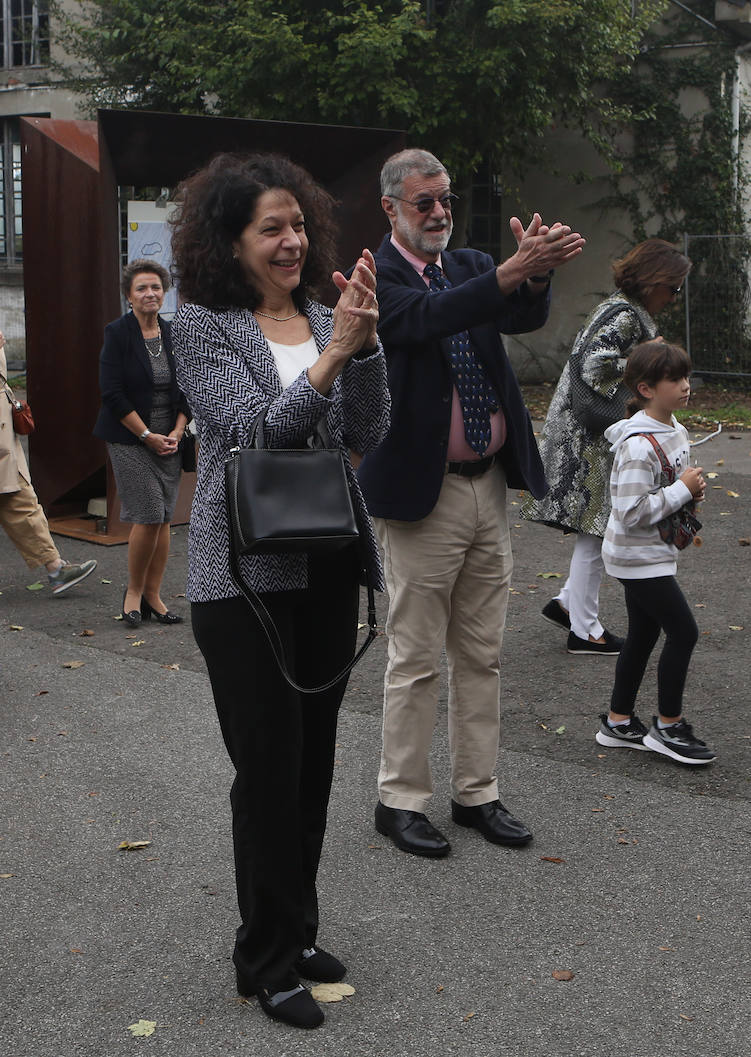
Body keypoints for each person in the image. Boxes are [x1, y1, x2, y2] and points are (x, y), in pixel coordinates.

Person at [170, 152, 389, 1029]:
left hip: (327, 560)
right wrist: (333, 356)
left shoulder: (331, 316)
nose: (292, 240)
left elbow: (369, 429)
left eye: (299, 224)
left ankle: (296, 926)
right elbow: (257, 431)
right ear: (231, 240)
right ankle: (262, 958)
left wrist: (361, 346)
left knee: (312, 760)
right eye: (272, 227)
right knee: (266, 766)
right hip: (242, 577)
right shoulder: (202, 326)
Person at [358, 148, 581, 858]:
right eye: (423, 202)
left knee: (481, 653)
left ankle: (476, 791)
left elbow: (518, 315)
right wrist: (508, 274)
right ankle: (400, 800)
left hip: (488, 482)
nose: (439, 213)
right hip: (423, 497)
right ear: (390, 208)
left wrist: (534, 269)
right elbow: (422, 320)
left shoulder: (475, 265)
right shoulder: (379, 275)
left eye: (445, 198)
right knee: (416, 655)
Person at [521, 238, 692, 655]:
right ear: (654, 281)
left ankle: (569, 605)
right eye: (673, 288)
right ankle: (584, 630)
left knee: (596, 529)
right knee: (600, 531)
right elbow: (596, 364)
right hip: (592, 439)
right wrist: (647, 357)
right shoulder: (624, 316)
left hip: (590, 434)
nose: (674, 297)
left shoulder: (622, 310)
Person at [596, 340, 714, 764]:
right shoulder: (638, 445)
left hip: (652, 553)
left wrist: (686, 492)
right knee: (684, 632)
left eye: (686, 377)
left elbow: (666, 489)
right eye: (675, 380)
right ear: (646, 388)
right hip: (637, 557)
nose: (685, 386)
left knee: (644, 635)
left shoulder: (674, 428)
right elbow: (629, 512)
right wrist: (682, 489)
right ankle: (668, 726)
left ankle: (618, 720)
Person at [93, 259, 192, 626]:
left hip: (169, 439)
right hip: (131, 438)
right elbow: (112, 394)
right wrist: (147, 436)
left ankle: (154, 594)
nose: (150, 294)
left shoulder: (174, 334)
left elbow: (188, 391)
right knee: (150, 513)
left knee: (164, 518)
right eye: (141, 289)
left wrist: (178, 432)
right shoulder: (117, 333)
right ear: (129, 297)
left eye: (155, 287)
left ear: (163, 293)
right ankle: (133, 592)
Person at [1, 330, 97, 593]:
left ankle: (56, 568)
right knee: (18, 499)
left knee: (20, 500)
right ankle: (56, 569)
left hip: (4, 437)